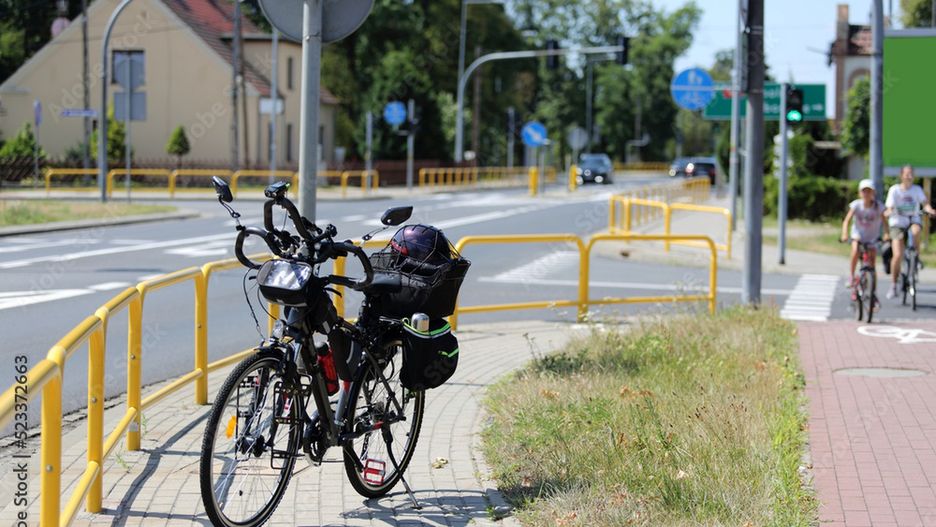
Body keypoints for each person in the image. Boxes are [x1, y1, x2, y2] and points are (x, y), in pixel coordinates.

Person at [884, 165, 936, 299]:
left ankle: (916, 257)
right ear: (901, 175)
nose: (909, 176)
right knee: (898, 254)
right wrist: (889, 211)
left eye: (911, 174)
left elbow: (925, 204)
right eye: (907, 174)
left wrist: (929, 210)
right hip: (897, 223)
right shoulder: (894, 190)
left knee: (916, 230)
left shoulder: (917, 189)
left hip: (912, 219)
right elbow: (889, 207)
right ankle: (894, 284)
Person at [840, 179, 886, 299]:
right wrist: (845, 234)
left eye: (869, 191)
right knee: (855, 248)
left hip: (872, 237)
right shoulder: (856, 205)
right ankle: (851, 276)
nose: (866, 194)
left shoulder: (878, 207)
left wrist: (887, 234)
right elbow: (847, 220)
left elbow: (885, 222)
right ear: (860, 193)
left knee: (872, 265)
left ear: (873, 193)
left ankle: (873, 294)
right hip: (858, 235)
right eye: (864, 191)